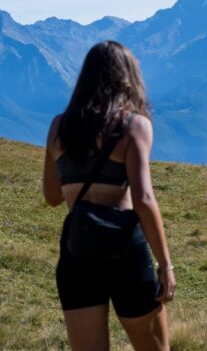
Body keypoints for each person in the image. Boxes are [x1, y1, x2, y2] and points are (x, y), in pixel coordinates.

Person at [42, 41, 175, 351]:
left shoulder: (58, 127)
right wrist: (166, 265)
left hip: (78, 249)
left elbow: (51, 195)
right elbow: (143, 199)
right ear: (128, 77)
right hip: (126, 247)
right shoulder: (134, 126)